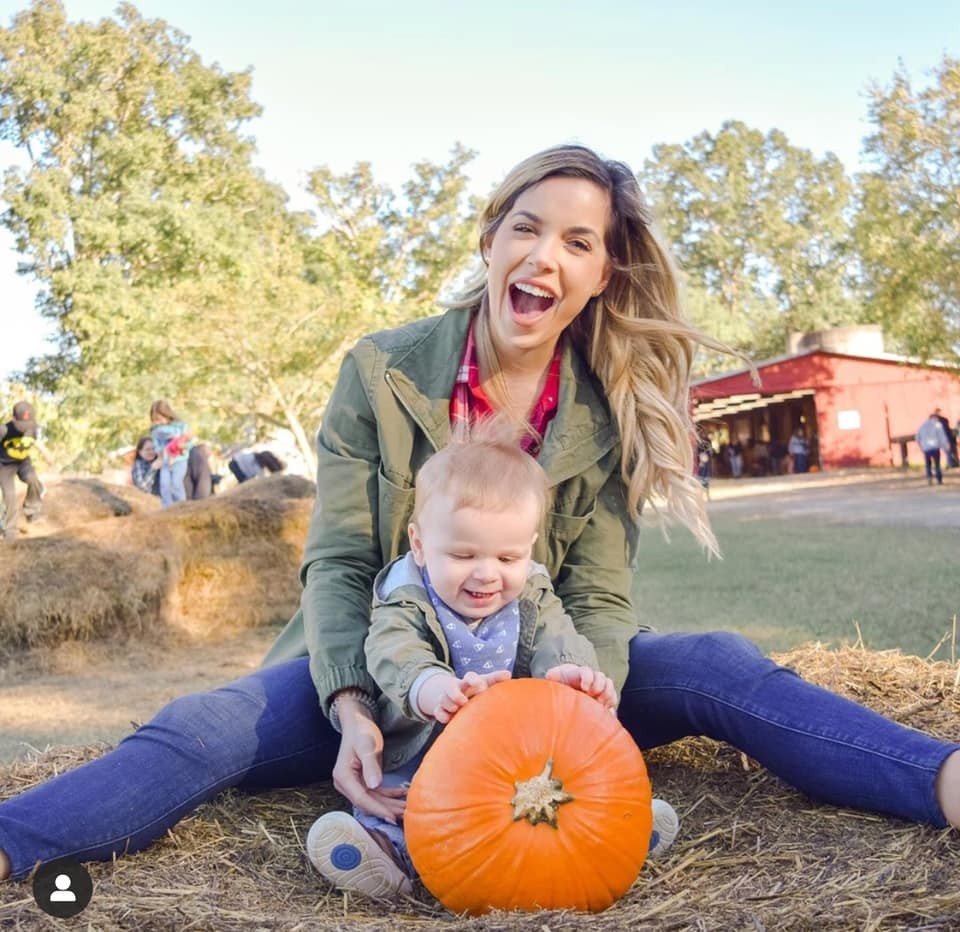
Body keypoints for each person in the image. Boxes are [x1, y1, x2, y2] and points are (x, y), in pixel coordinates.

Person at [1, 144, 959, 887]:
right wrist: (347, 705)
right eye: (528, 228)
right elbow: (336, 563)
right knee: (204, 727)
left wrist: (572, 708)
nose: (547, 256)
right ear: (491, 239)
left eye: (579, 243)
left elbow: (599, 595)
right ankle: (15, 845)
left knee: (717, 665)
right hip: (379, 666)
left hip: (540, 669)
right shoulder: (379, 371)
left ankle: (941, 780)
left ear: (601, 278)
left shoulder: (606, 410)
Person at [304, 432, 678, 897]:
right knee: (407, 811)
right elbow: (392, 652)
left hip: (517, 759)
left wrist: (570, 674)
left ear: (530, 547)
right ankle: (385, 854)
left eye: (508, 557)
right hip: (426, 755)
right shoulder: (405, 598)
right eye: (463, 555)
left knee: (567, 800)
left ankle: (625, 835)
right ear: (419, 545)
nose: (486, 573)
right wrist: (430, 686)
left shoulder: (532, 594)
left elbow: (558, 637)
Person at [0, 401, 47, 541]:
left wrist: (47, 455)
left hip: (23, 462)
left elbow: (36, 442)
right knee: (9, 496)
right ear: (13, 418)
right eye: (22, 424)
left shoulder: (32, 428)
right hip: (4, 465)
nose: (25, 429)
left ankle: (32, 511)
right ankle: (10, 530)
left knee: (33, 479)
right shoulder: (3, 430)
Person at [148, 400, 191, 508]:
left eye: (159, 419)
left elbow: (188, 441)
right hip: (165, 461)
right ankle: (167, 508)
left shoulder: (181, 427)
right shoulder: (155, 431)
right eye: (154, 420)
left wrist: (182, 445)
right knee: (165, 485)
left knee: (176, 484)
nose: (157, 422)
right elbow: (156, 445)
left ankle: (181, 506)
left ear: (167, 415)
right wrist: (160, 453)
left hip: (179, 461)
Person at [915, 411, 952, 486]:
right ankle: (939, 479)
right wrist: (946, 445)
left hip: (926, 448)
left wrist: (921, 446)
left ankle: (929, 477)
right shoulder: (937, 425)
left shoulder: (923, 425)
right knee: (937, 464)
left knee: (928, 464)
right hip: (935, 447)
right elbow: (942, 436)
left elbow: (917, 437)